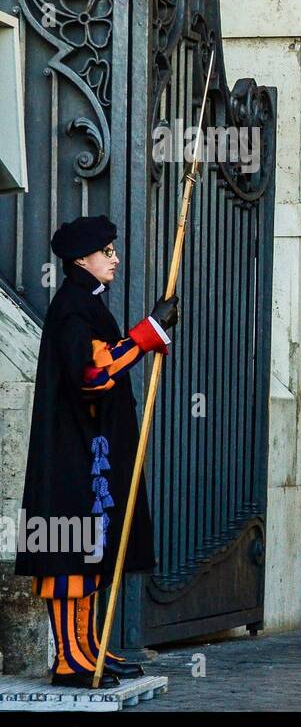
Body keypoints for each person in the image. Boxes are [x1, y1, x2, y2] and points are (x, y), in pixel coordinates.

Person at [14, 215, 179, 687]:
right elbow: (92, 375)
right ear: (81, 259)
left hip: (92, 455)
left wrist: (148, 334)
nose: (115, 259)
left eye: (112, 250)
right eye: (106, 252)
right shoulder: (71, 307)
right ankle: (68, 660)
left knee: (90, 555)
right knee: (66, 550)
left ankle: (88, 649)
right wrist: (147, 334)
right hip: (71, 456)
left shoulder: (87, 304)